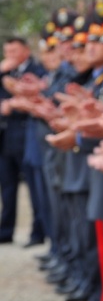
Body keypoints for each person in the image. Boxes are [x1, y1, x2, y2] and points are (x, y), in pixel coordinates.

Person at [0, 35, 50, 245]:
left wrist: (14, 102)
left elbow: (42, 93)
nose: (10, 56)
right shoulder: (4, 72)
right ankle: (6, 231)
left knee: (34, 186)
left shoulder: (38, 70)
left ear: (26, 51)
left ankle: (38, 232)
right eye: (7, 52)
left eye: (14, 52)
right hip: (5, 136)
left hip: (27, 133)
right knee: (7, 186)